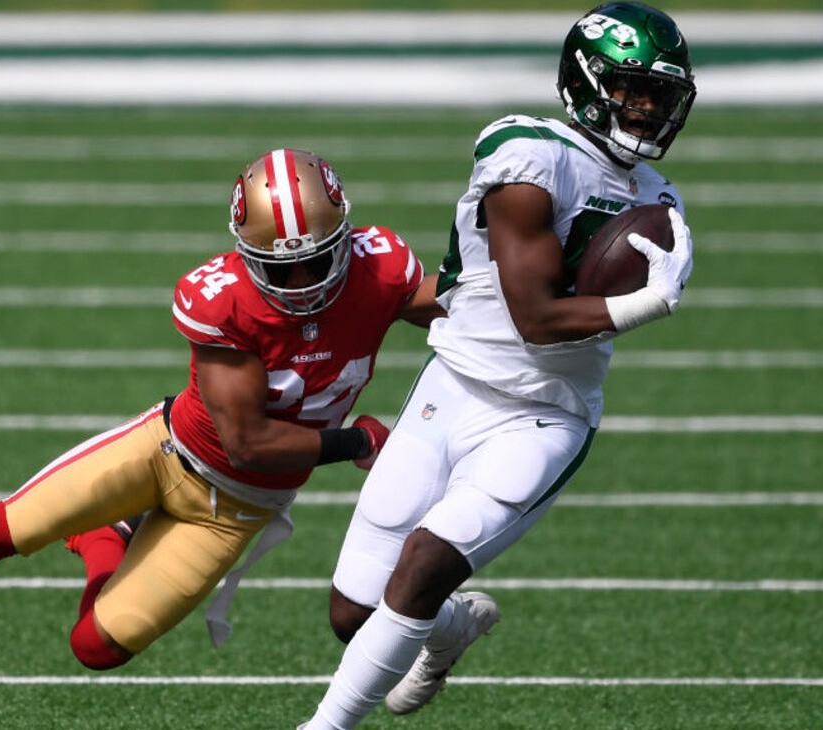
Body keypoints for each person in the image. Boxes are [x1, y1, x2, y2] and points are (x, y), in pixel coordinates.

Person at [0, 148, 445, 670]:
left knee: (94, 649)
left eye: (316, 259)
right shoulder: (223, 299)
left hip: (237, 511)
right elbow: (249, 440)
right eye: (280, 266)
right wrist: (358, 441)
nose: (300, 279)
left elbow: (458, 307)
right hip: (167, 455)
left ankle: (105, 538)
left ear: (344, 234)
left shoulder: (380, 265)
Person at [298, 3, 697, 727]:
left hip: (544, 415)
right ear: (586, 81)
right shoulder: (526, 153)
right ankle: (450, 630)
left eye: (660, 96)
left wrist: (647, 290)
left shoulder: (657, 203)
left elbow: (555, 340)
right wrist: (650, 302)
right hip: (451, 388)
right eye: (633, 89)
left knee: (419, 569)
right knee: (355, 612)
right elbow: (536, 318)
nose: (646, 109)